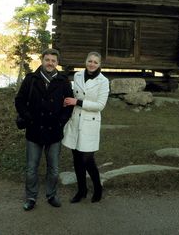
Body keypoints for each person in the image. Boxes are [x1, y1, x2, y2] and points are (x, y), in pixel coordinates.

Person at [15, 48, 73, 211]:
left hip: (54, 131)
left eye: (53, 61)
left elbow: (69, 105)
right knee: (31, 168)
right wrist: (28, 117)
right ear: (42, 60)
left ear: (57, 63)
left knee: (54, 169)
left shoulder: (63, 81)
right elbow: (19, 100)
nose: (50, 63)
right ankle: (31, 197)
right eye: (47, 60)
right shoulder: (31, 79)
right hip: (34, 130)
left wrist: (61, 121)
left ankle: (51, 195)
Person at [62, 51, 110, 203]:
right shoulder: (77, 76)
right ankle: (81, 190)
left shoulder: (103, 81)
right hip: (75, 120)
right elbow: (73, 95)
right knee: (76, 158)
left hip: (90, 122)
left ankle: (98, 188)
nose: (92, 64)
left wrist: (78, 102)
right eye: (90, 61)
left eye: (95, 62)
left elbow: (100, 105)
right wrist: (67, 101)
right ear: (85, 61)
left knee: (88, 159)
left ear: (99, 64)